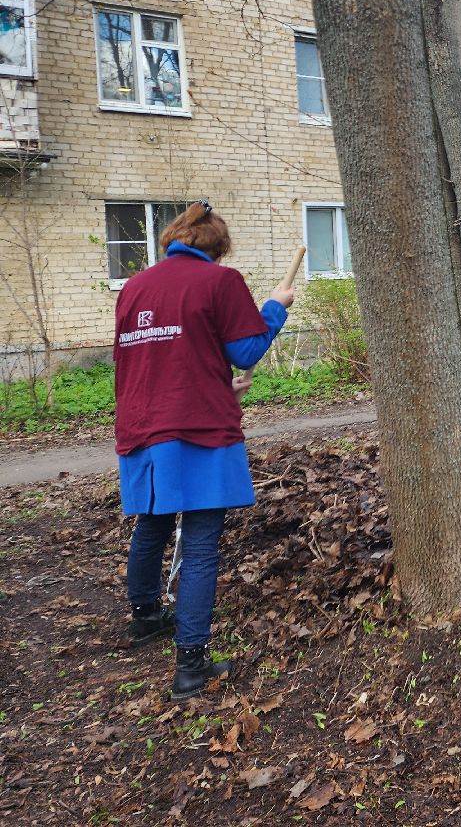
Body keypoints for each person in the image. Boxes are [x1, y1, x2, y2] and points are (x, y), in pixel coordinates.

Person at [114, 202, 294, 699]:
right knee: (198, 541)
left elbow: (163, 358)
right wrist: (276, 306)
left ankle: (145, 616)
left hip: (140, 424)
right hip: (195, 429)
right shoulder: (220, 281)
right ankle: (190, 665)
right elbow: (247, 351)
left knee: (152, 521)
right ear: (215, 247)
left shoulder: (134, 287)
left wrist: (219, 385)